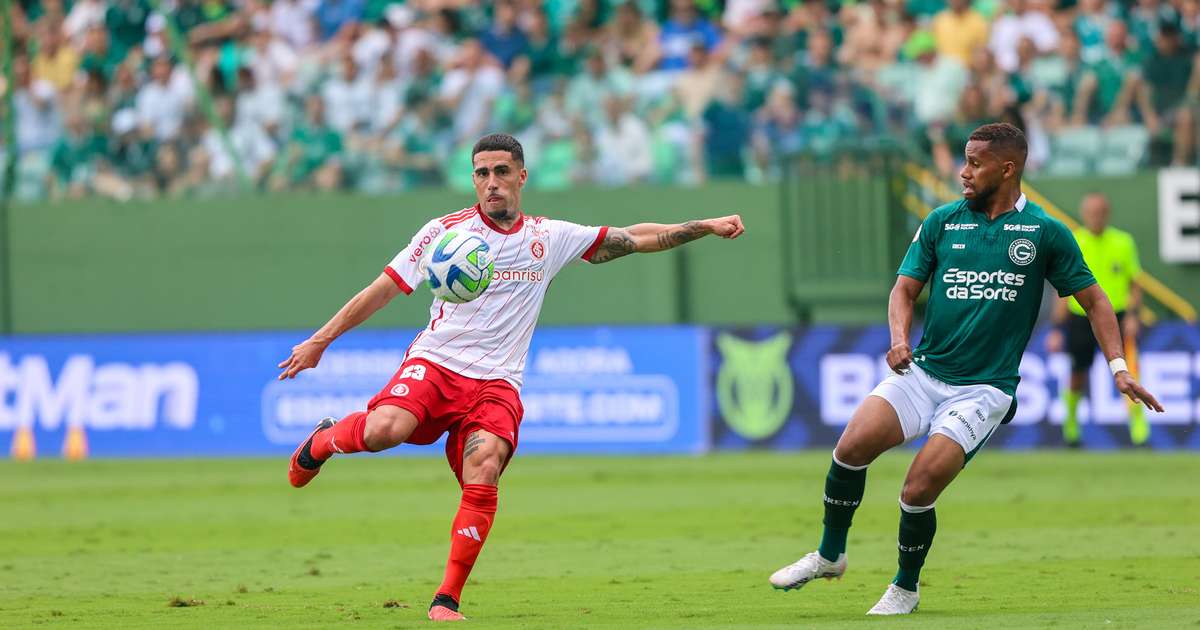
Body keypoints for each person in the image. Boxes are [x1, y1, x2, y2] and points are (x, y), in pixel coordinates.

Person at [278, 133, 744, 621]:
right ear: (473, 179)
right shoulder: (445, 234)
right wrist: (320, 341)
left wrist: (704, 226)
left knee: (485, 469)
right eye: (482, 173)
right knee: (383, 431)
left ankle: (446, 599)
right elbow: (382, 290)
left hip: (498, 383)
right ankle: (325, 441)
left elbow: (635, 237)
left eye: (502, 172)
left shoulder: (548, 237)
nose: (491, 183)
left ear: (521, 176)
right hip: (437, 363)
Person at [767, 123, 1162, 615]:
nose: (964, 171)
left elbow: (1097, 301)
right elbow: (904, 290)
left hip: (984, 390)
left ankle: (904, 588)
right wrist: (898, 339)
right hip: (925, 372)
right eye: (965, 160)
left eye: (975, 163)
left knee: (918, 487)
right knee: (849, 448)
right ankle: (830, 554)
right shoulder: (942, 222)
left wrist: (1119, 366)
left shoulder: (1044, 232)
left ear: (1007, 168)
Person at [1045, 193, 1148, 447]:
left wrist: (1134, 316)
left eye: (1100, 212)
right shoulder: (1075, 240)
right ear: (1083, 213)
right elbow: (1063, 288)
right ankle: (1071, 424)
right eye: (1091, 212)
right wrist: (1057, 328)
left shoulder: (1123, 242)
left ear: (1107, 213)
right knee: (1078, 372)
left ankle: (1138, 426)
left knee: (1128, 370)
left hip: (1117, 316)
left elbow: (1135, 283)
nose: (1095, 217)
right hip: (1080, 317)